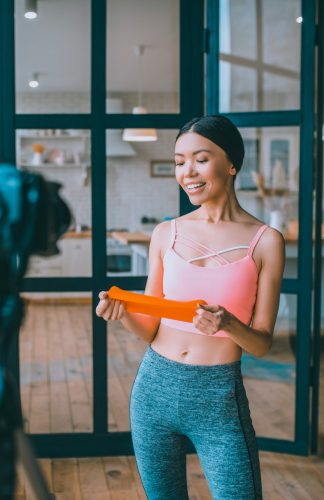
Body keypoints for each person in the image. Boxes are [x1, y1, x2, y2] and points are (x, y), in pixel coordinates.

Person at [96, 115, 285, 500]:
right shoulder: (166, 233)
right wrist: (124, 312)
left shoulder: (266, 241)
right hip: (153, 390)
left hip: (218, 398)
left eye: (200, 158)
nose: (187, 172)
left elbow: (263, 343)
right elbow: (151, 327)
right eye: (179, 161)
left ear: (232, 164)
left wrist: (229, 324)